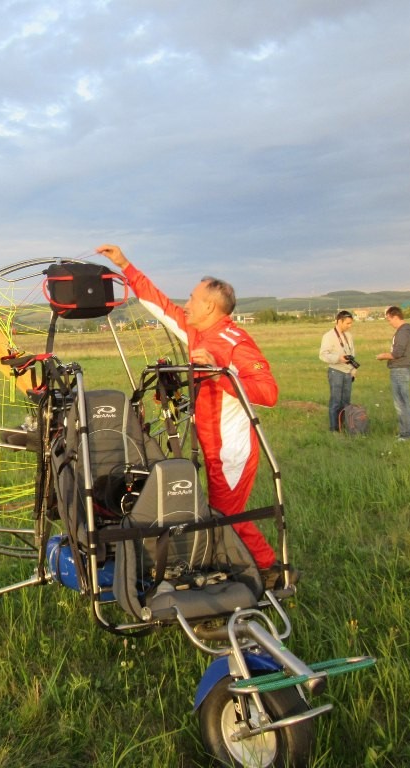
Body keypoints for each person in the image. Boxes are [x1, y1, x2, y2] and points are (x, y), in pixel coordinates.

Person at [96, 244, 287, 590]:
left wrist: (219, 374)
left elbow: (268, 393)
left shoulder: (235, 341)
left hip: (232, 449)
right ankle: (229, 562)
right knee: (217, 512)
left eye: (193, 300)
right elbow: (160, 305)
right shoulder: (198, 331)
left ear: (211, 306)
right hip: (210, 444)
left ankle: (270, 568)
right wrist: (125, 265)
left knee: (227, 515)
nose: (186, 305)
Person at [375, 306, 410, 440]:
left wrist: (383, 356)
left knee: (401, 403)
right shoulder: (407, 330)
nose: (389, 322)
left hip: (399, 370)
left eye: (389, 319)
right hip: (402, 369)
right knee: (404, 402)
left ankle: (406, 434)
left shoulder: (402, 332)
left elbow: (397, 353)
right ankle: (406, 431)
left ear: (395, 317)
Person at [319, 310, 357, 432]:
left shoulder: (349, 335)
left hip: (348, 372)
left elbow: (352, 353)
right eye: (347, 323)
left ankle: (344, 426)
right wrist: (338, 359)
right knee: (335, 401)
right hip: (336, 371)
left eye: (351, 323)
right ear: (339, 321)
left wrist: (353, 369)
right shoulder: (328, 336)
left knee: (346, 402)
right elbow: (323, 355)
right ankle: (334, 429)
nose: (349, 326)